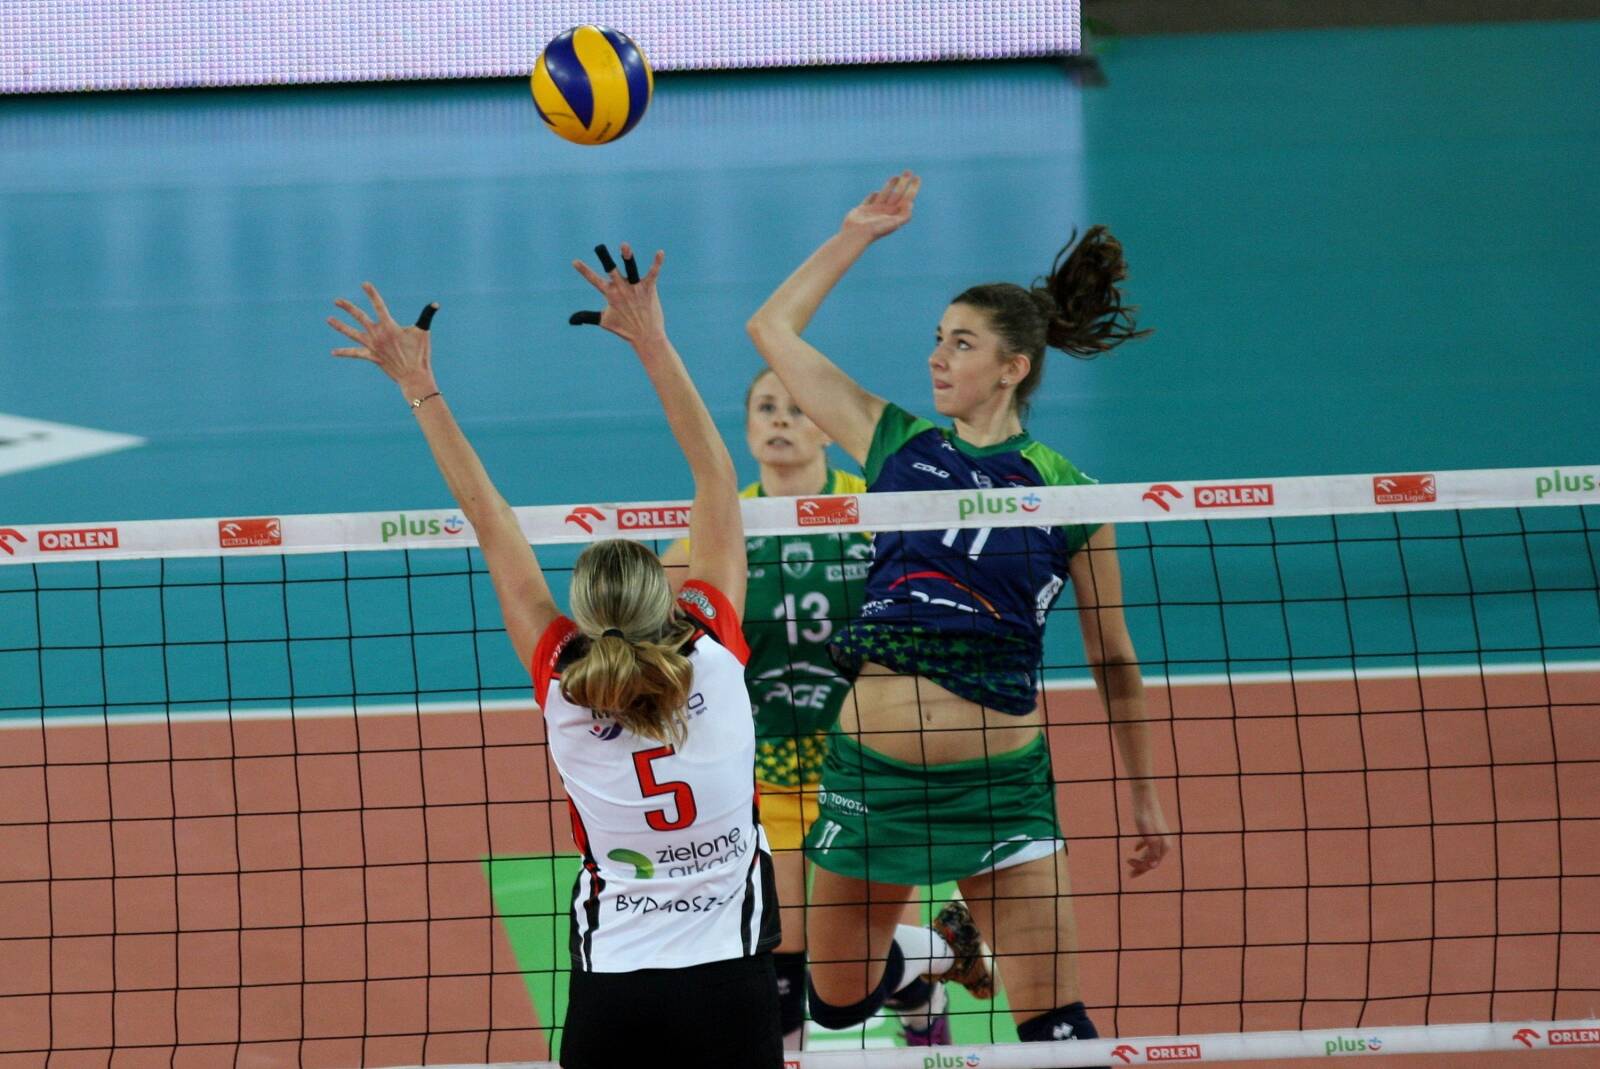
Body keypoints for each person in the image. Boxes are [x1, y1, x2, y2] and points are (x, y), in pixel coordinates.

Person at [745, 172, 1173, 1050]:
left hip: (1001, 785)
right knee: (833, 1003)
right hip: (871, 777)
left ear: (1014, 368)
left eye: (962, 343)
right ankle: (937, 953)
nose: (938, 356)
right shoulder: (896, 444)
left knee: (1058, 1025)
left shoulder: (1070, 493)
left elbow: (1114, 658)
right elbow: (771, 330)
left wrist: (1143, 793)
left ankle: (961, 953)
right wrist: (855, 234)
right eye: (937, 339)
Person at [328, 245, 782, 1069]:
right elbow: (717, 480)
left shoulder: (565, 684)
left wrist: (418, 384)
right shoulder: (714, 650)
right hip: (732, 977)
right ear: (669, 595)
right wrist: (652, 341)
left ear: (584, 615)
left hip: (615, 984)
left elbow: (489, 516)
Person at [665, 370, 959, 1048]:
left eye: (798, 409)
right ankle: (934, 961)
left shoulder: (876, 513)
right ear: (747, 427)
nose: (780, 420)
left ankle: (926, 985)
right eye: (766, 407)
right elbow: (659, 626)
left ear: (826, 427)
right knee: (781, 970)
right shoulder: (723, 526)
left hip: (868, 767)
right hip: (765, 772)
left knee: (854, 965)